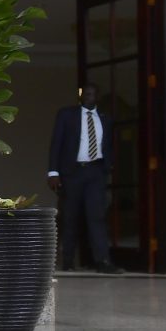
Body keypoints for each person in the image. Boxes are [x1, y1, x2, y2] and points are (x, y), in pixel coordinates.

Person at [47, 83, 123, 274]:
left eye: (92, 94)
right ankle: (68, 262)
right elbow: (57, 143)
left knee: (96, 217)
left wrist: (109, 168)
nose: (89, 96)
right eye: (86, 93)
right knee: (70, 217)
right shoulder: (67, 114)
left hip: (96, 172)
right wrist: (53, 172)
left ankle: (103, 261)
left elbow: (109, 146)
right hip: (73, 172)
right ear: (80, 96)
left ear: (97, 97)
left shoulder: (105, 119)